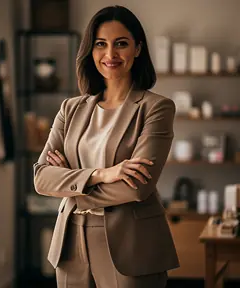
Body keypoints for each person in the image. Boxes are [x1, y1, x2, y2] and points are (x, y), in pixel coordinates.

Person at [34, 5, 179, 288]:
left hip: (131, 244)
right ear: (90, 50)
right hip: (71, 242)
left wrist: (71, 187)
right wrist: (102, 174)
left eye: (121, 44)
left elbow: (137, 187)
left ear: (137, 49)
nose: (110, 54)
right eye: (101, 44)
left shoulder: (156, 108)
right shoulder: (70, 108)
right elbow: (41, 177)